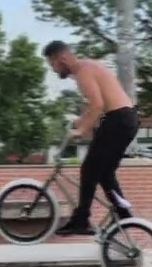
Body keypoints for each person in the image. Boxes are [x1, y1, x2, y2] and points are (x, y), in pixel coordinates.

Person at [42, 40, 138, 236]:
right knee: (104, 173)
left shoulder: (83, 73)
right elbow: (96, 105)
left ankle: (81, 219)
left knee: (89, 169)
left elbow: (97, 105)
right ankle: (124, 214)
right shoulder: (88, 67)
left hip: (118, 120)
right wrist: (81, 120)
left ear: (62, 58)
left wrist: (81, 129)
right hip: (125, 119)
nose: (53, 70)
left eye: (52, 64)